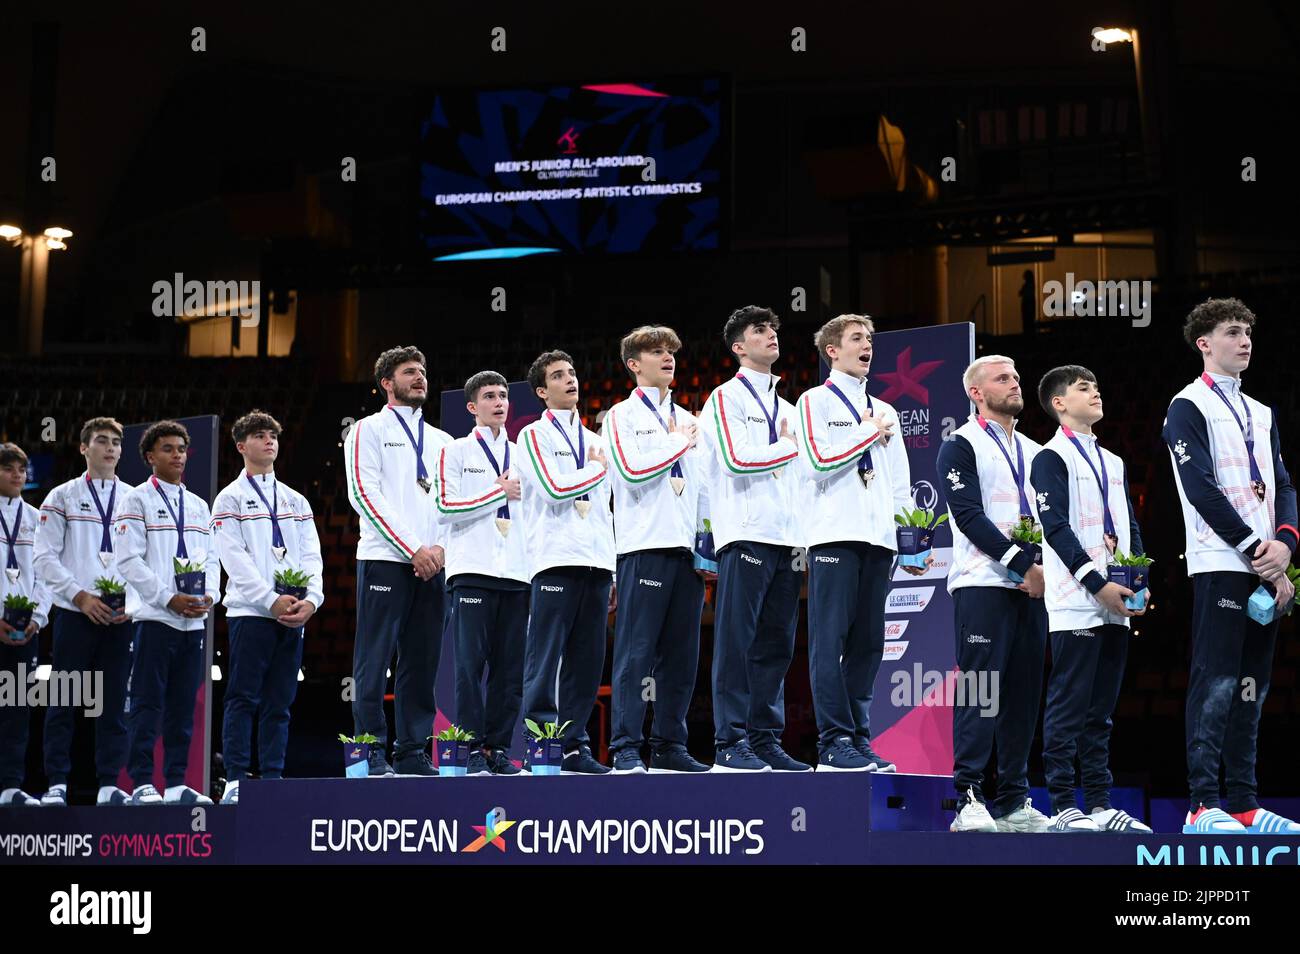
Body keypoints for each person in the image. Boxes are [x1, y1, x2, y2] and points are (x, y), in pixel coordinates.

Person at [1162, 298, 1299, 834]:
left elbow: (1282, 484)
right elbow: (1199, 488)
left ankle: (1243, 803)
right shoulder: (1186, 405)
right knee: (1216, 681)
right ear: (1204, 343)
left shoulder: (1261, 412)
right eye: (1232, 332)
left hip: (1266, 565)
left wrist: (1283, 545)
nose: (1245, 341)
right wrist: (1255, 547)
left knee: (1251, 686)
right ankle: (1202, 804)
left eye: (1248, 333)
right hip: (1222, 560)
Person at [797, 314, 921, 772]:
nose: (867, 345)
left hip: (879, 540)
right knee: (829, 642)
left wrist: (909, 536)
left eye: (869, 338)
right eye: (856, 339)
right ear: (832, 350)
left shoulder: (885, 409)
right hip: (833, 534)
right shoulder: (812, 402)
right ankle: (832, 742)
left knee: (869, 643)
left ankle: (857, 735)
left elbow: (900, 482)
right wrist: (866, 432)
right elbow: (815, 462)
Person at [1031, 365, 1152, 834]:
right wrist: (1096, 582)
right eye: (1084, 388)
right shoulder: (1050, 458)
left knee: (1101, 711)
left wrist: (1138, 576)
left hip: (1115, 601)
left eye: (1098, 385)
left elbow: (1129, 526)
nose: (1096, 392)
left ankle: (1100, 805)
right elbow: (1055, 529)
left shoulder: (1114, 461)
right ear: (1060, 403)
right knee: (1069, 705)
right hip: (1075, 600)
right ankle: (1063, 804)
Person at [937, 356, 1050, 832]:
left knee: (1023, 695)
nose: (1015, 383)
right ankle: (967, 797)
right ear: (976, 393)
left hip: (1035, 588)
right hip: (983, 583)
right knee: (982, 692)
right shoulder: (960, 445)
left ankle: (1014, 799)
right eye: (1003, 378)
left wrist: (1045, 571)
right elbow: (968, 515)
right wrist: (1023, 564)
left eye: (1017, 376)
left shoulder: (1037, 450)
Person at [697, 306, 809, 772]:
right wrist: (786, 447)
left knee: (777, 645)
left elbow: (801, 476)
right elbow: (736, 460)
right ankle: (729, 742)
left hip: (787, 538)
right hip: (744, 533)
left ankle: (764, 739)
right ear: (739, 346)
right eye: (759, 330)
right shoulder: (724, 399)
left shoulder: (787, 407)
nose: (771, 335)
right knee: (737, 642)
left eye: (773, 328)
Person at [603, 326, 710, 774]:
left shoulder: (689, 418)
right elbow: (629, 472)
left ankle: (669, 744)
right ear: (633, 364)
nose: (667, 357)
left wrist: (708, 547)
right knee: (636, 652)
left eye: (670, 351)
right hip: (643, 546)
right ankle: (626, 746)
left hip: (686, 552)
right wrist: (677, 442)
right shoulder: (619, 417)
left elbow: (704, 488)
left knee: (682, 655)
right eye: (655, 352)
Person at [344, 346, 452, 777]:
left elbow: (450, 504)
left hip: (433, 565)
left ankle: (411, 751)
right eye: (409, 372)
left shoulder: (443, 441)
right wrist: (414, 549)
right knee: (374, 659)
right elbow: (363, 496)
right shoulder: (366, 431)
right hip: (386, 560)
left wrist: (439, 550)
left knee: (422, 660)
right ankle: (370, 752)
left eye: (423, 372)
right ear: (386, 383)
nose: (419, 378)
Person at [212, 410, 323, 804]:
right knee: (243, 696)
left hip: (293, 614)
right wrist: (269, 599)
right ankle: (237, 777)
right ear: (242, 446)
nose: (269, 442)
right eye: (260, 436)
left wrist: (312, 600)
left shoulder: (296, 499)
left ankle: (273, 777)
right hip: (251, 613)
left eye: (273, 435)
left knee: (280, 701)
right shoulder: (229, 499)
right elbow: (234, 559)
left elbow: (312, 556)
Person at [517, 350, 614, 775]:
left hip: (595, 561)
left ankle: (574, 745)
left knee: (587, 660)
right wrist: (593, 471)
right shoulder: (532, 437)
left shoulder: (595, 441)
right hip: (554, 559)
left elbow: (605, 509)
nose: (569, 380)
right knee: (546, 656)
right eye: (558, 376)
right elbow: (555, 489)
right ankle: (541, 743)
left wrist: (610, 567)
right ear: (542, 391)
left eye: (572, 372)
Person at [117, 421, 220, 805]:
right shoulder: (135, 501)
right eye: (168, 449)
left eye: (181, 449)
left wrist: (210, 595)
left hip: (192, 620)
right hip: (154, 620)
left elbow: (211, 557)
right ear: (149, 456)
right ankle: (142, 781)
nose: (177, 455)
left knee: (181, 704)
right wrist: (166, 598)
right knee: (146, 702)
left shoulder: (198, 505)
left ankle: (176, 782)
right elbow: (128, 561)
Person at [434, 372, 527, 776]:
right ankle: (470, 748)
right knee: (470, 667)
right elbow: (445, 508)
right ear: (472, 407)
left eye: (504, 395)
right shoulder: (454, 452)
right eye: (489, 396)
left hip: (518, 573)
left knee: (511, 670)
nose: (499, 402)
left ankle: (499, 749)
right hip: (472, 570)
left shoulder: (523, 452)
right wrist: (497, 492)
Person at [36, 417, 133, 807]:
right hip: (76, 615)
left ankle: (109, 783)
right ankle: (57, 782)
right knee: (64, 700)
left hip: (121, 616)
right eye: (101, 441)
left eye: (115, 443)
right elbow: (44, 556)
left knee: (113, 704)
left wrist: (135, 601)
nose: (110, 448)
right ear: (83, 448)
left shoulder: (134, 498)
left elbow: (144, 557)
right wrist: (79, 597)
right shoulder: (60, 497)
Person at [0, 443, 51, 807]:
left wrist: (37, 617)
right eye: (8, 468)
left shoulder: (36, 519)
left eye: (21, 469)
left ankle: (9, 787)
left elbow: (46, 575)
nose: (18, 475)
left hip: (25, 632)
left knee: (17, 710)